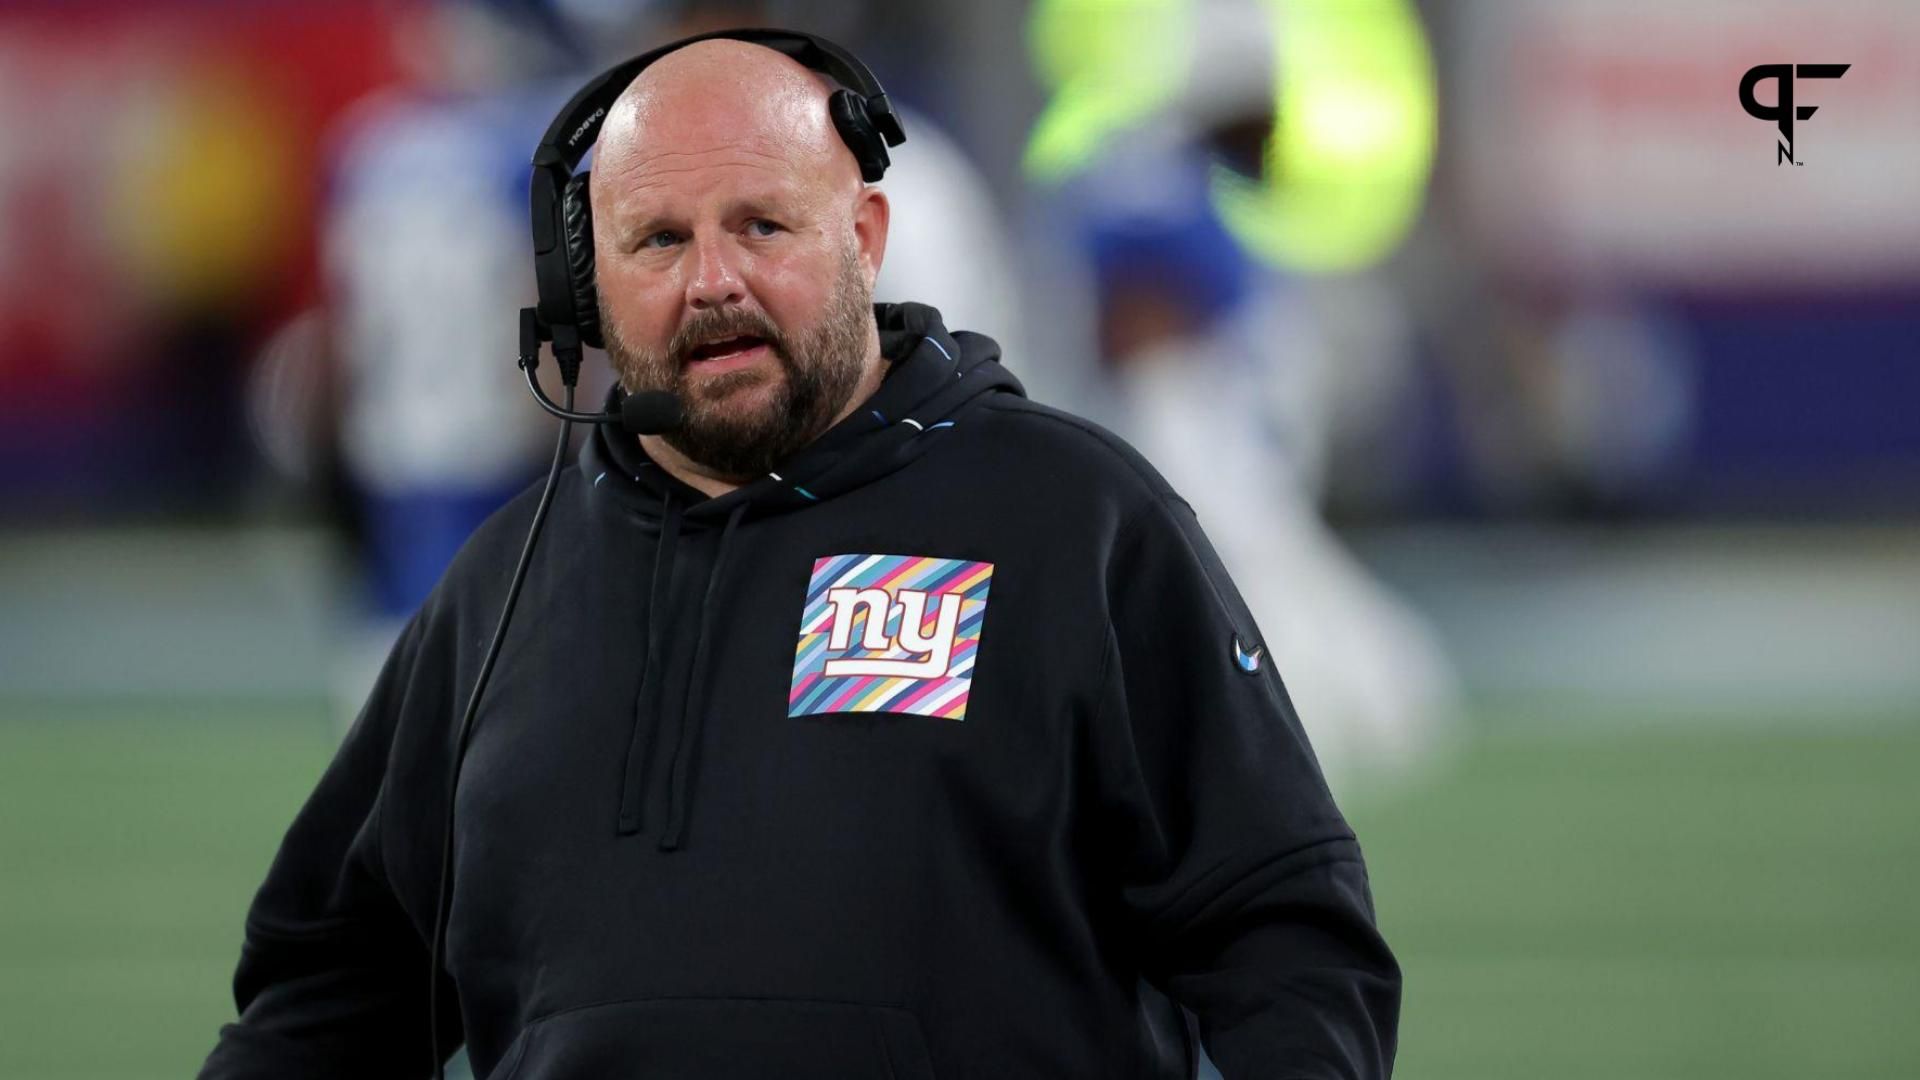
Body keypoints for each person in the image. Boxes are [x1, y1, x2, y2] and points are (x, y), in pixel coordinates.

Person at [198, 34, 1400, 1080]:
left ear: (867, 238)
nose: (712, 281)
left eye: (761, 225)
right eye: (656, 240)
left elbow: (1286, 935)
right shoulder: (504, 588)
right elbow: (333, 993)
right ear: (585, 292)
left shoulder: (1077, 523)